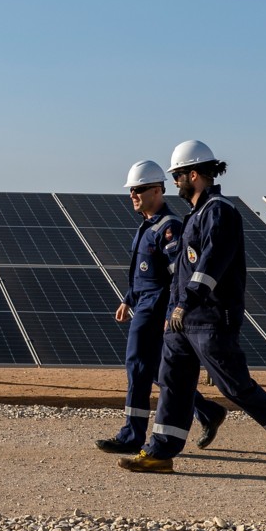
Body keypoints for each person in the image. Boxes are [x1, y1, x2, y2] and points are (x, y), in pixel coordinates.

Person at [121, 140, 266, 478]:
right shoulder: (197, 213)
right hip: (183, 320)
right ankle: (160, 451)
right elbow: (182, 270)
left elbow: (211, 264)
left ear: (194, 174)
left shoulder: (219, 211)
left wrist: (187, 302)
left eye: (178, 176)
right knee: (173, 381)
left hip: (210, 318)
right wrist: (174, 312)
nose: (175, 182)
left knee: (234, 386)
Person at [95, 160, 223, 456]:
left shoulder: (170, 228)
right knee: (156, 370)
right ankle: (207, 411)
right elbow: (143, 273)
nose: (133, 196)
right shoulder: (147, 227)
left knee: (138, 367)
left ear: (157, 190)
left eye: (138, 190)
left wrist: (170, 315)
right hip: (143, 306)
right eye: (131, 191)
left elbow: (178, 276)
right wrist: (128, 299)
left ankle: (131, 435)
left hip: (157, 310)